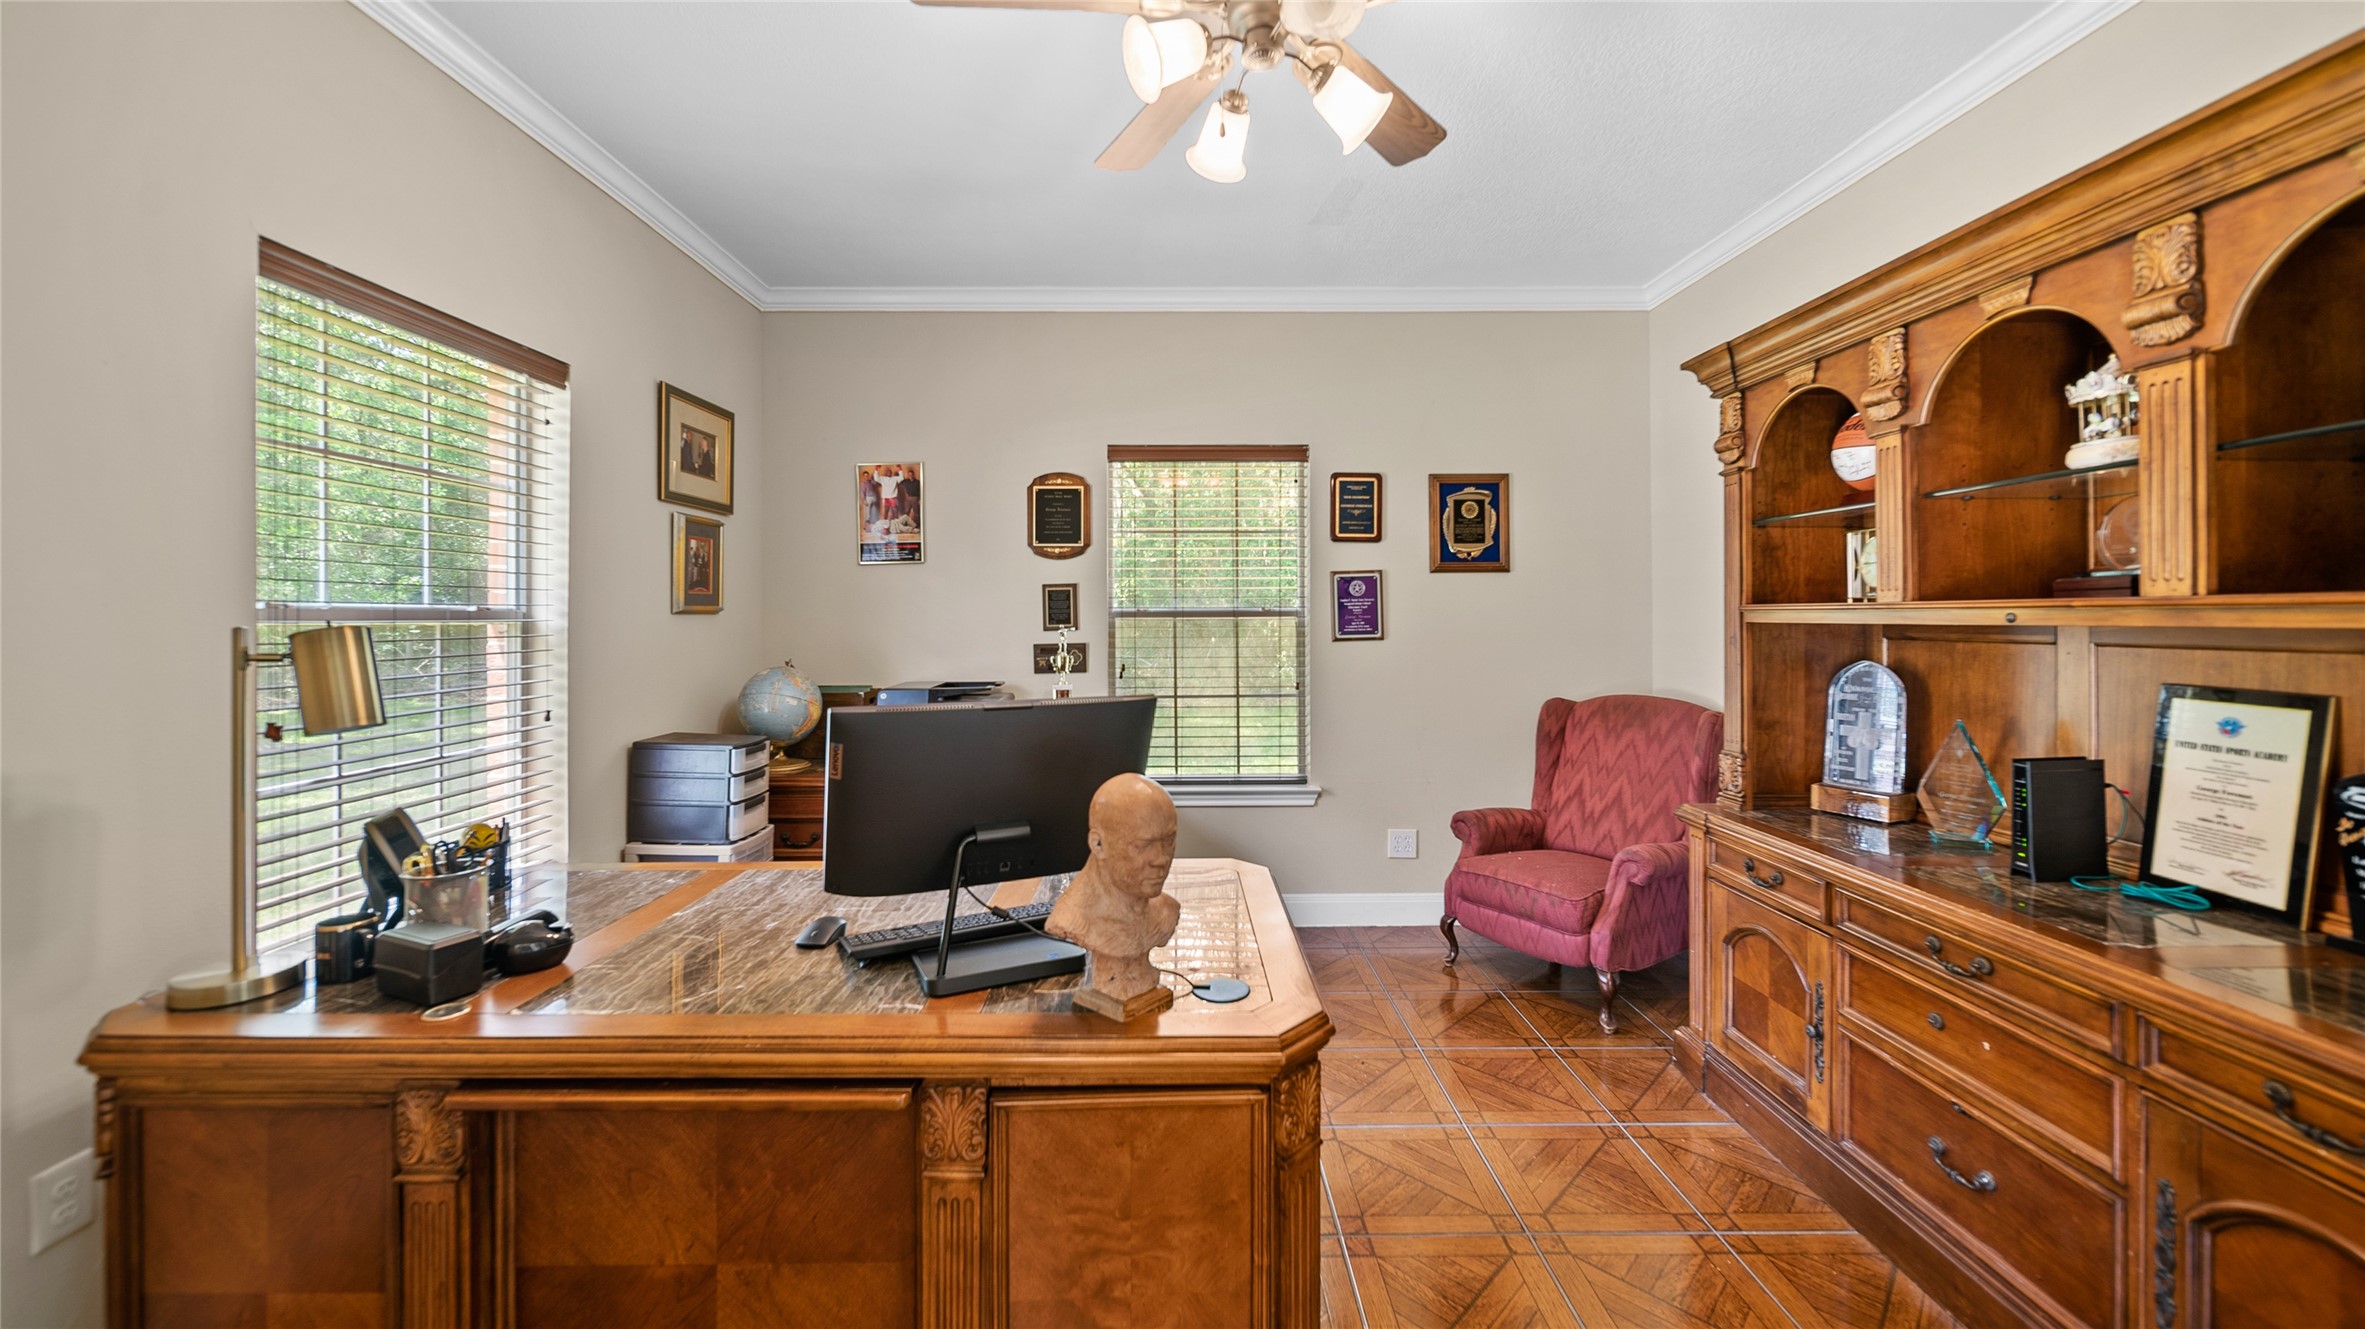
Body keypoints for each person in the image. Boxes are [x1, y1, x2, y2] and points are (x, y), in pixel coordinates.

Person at [1047, 773, 1180, 1009]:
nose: (1161, 859)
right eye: (1143, 845)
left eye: (1168, 841)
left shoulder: (1166, 911)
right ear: (1098, 845)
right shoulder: (1073, 919)